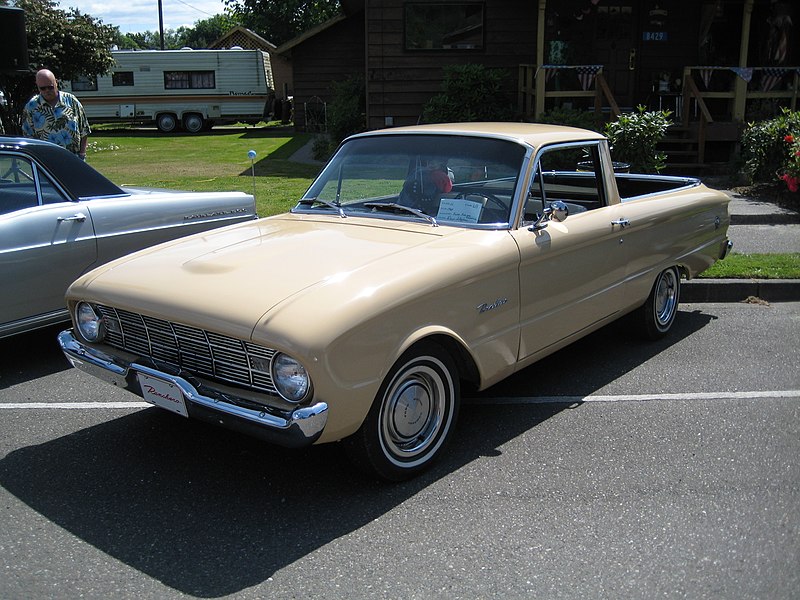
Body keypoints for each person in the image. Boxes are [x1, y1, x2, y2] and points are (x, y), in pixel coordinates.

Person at [22, 69, 90, 160]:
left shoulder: (71, 101)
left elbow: (84, 130)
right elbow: (28, 137)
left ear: (56, 83)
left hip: (74, 159)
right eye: (43, 88)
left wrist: (82, 154)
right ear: (37, 87)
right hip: (46, 161)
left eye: (50, 87)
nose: (47, 91)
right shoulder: (31, 107)